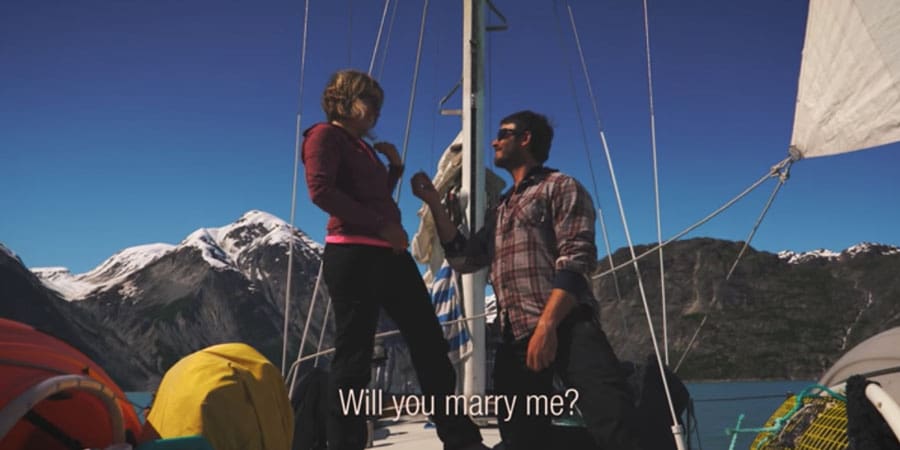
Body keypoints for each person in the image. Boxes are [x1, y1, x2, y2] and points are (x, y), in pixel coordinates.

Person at [412, 110, 642, 450]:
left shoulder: (560, 187)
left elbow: (576, 260)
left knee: (613, 419)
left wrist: (547, 327)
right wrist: (433, 201)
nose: (494, 140)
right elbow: (464, 258)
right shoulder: (500, 209)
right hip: (514, 338)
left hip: (566, 325)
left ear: (526, 138)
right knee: (520, 435)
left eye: (503, 133)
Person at [301, 69, 488, 450]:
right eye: (371, 102)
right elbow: (320, 191)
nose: (376, 112)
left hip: (387, 254)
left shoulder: (361, 146)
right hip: (352, 254)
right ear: (347, 99)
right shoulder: (323, 136)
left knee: (430, 343)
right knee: (353, 358)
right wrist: (381, 227)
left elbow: (369, 196)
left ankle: (459, 438)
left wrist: (395, 172)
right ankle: (344, 443)